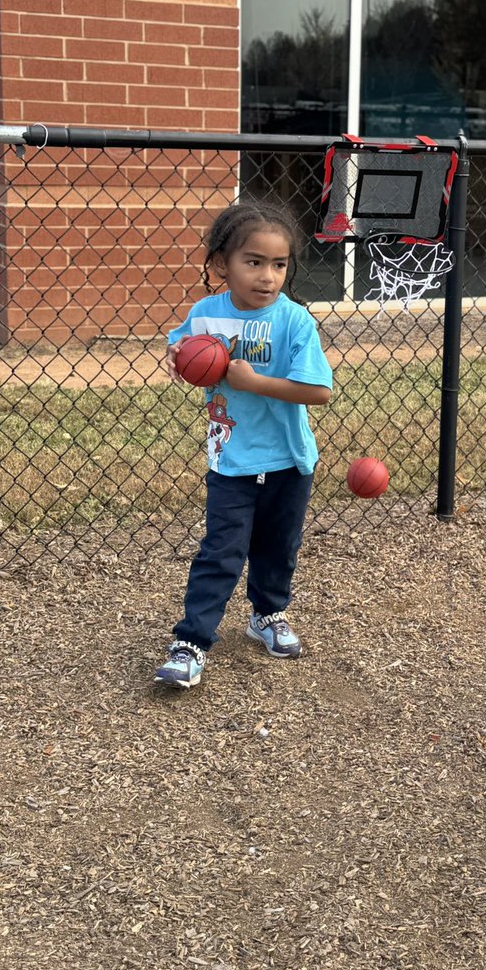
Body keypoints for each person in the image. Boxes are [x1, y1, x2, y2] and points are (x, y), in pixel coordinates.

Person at [155, 201, 333, 689]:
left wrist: (253, 383)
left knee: (279, 549)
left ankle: (267, 616)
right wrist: (176, 356)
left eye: (278, 265)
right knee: (220, 551)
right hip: (230, 458)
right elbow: (180, 346)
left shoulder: (295, 321)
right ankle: (191, 641)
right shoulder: (205, 313)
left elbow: (319, 391)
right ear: (221, 265)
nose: (268, 276)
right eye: (253, 262)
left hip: (289, 461)